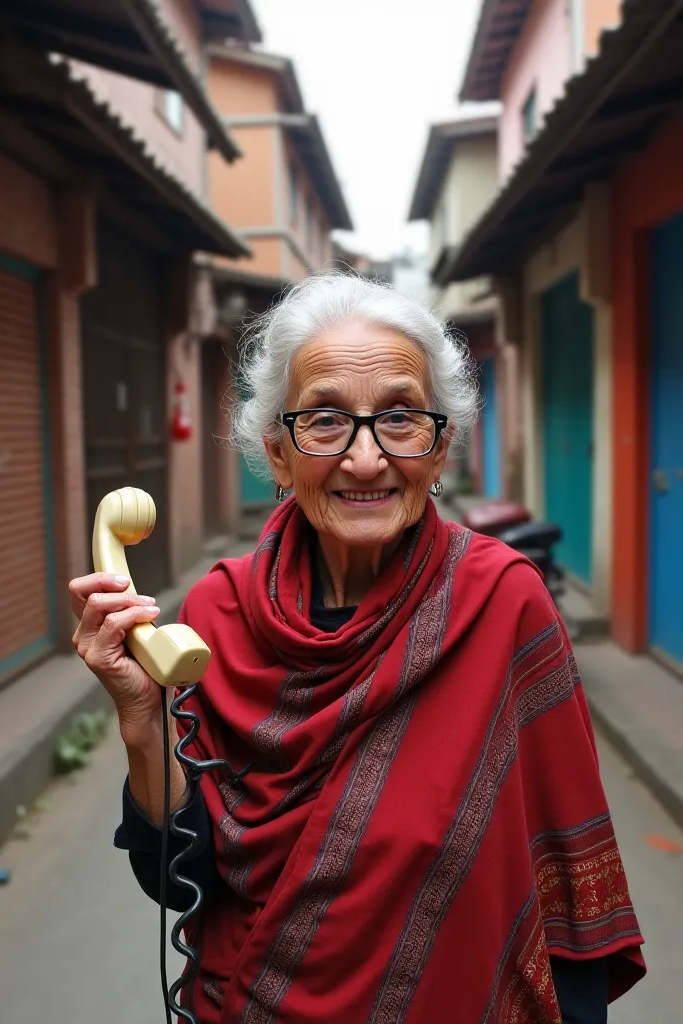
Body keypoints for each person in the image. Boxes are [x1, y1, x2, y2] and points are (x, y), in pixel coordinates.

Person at [70, 274, 645, 1024]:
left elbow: (565, 885)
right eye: (326, 420)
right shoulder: (215, 613)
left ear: (440, 448)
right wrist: (143, 725)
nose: (367, 459)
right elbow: (181, 884)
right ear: (278, 454)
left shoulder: (504, 603)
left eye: (401, 417)